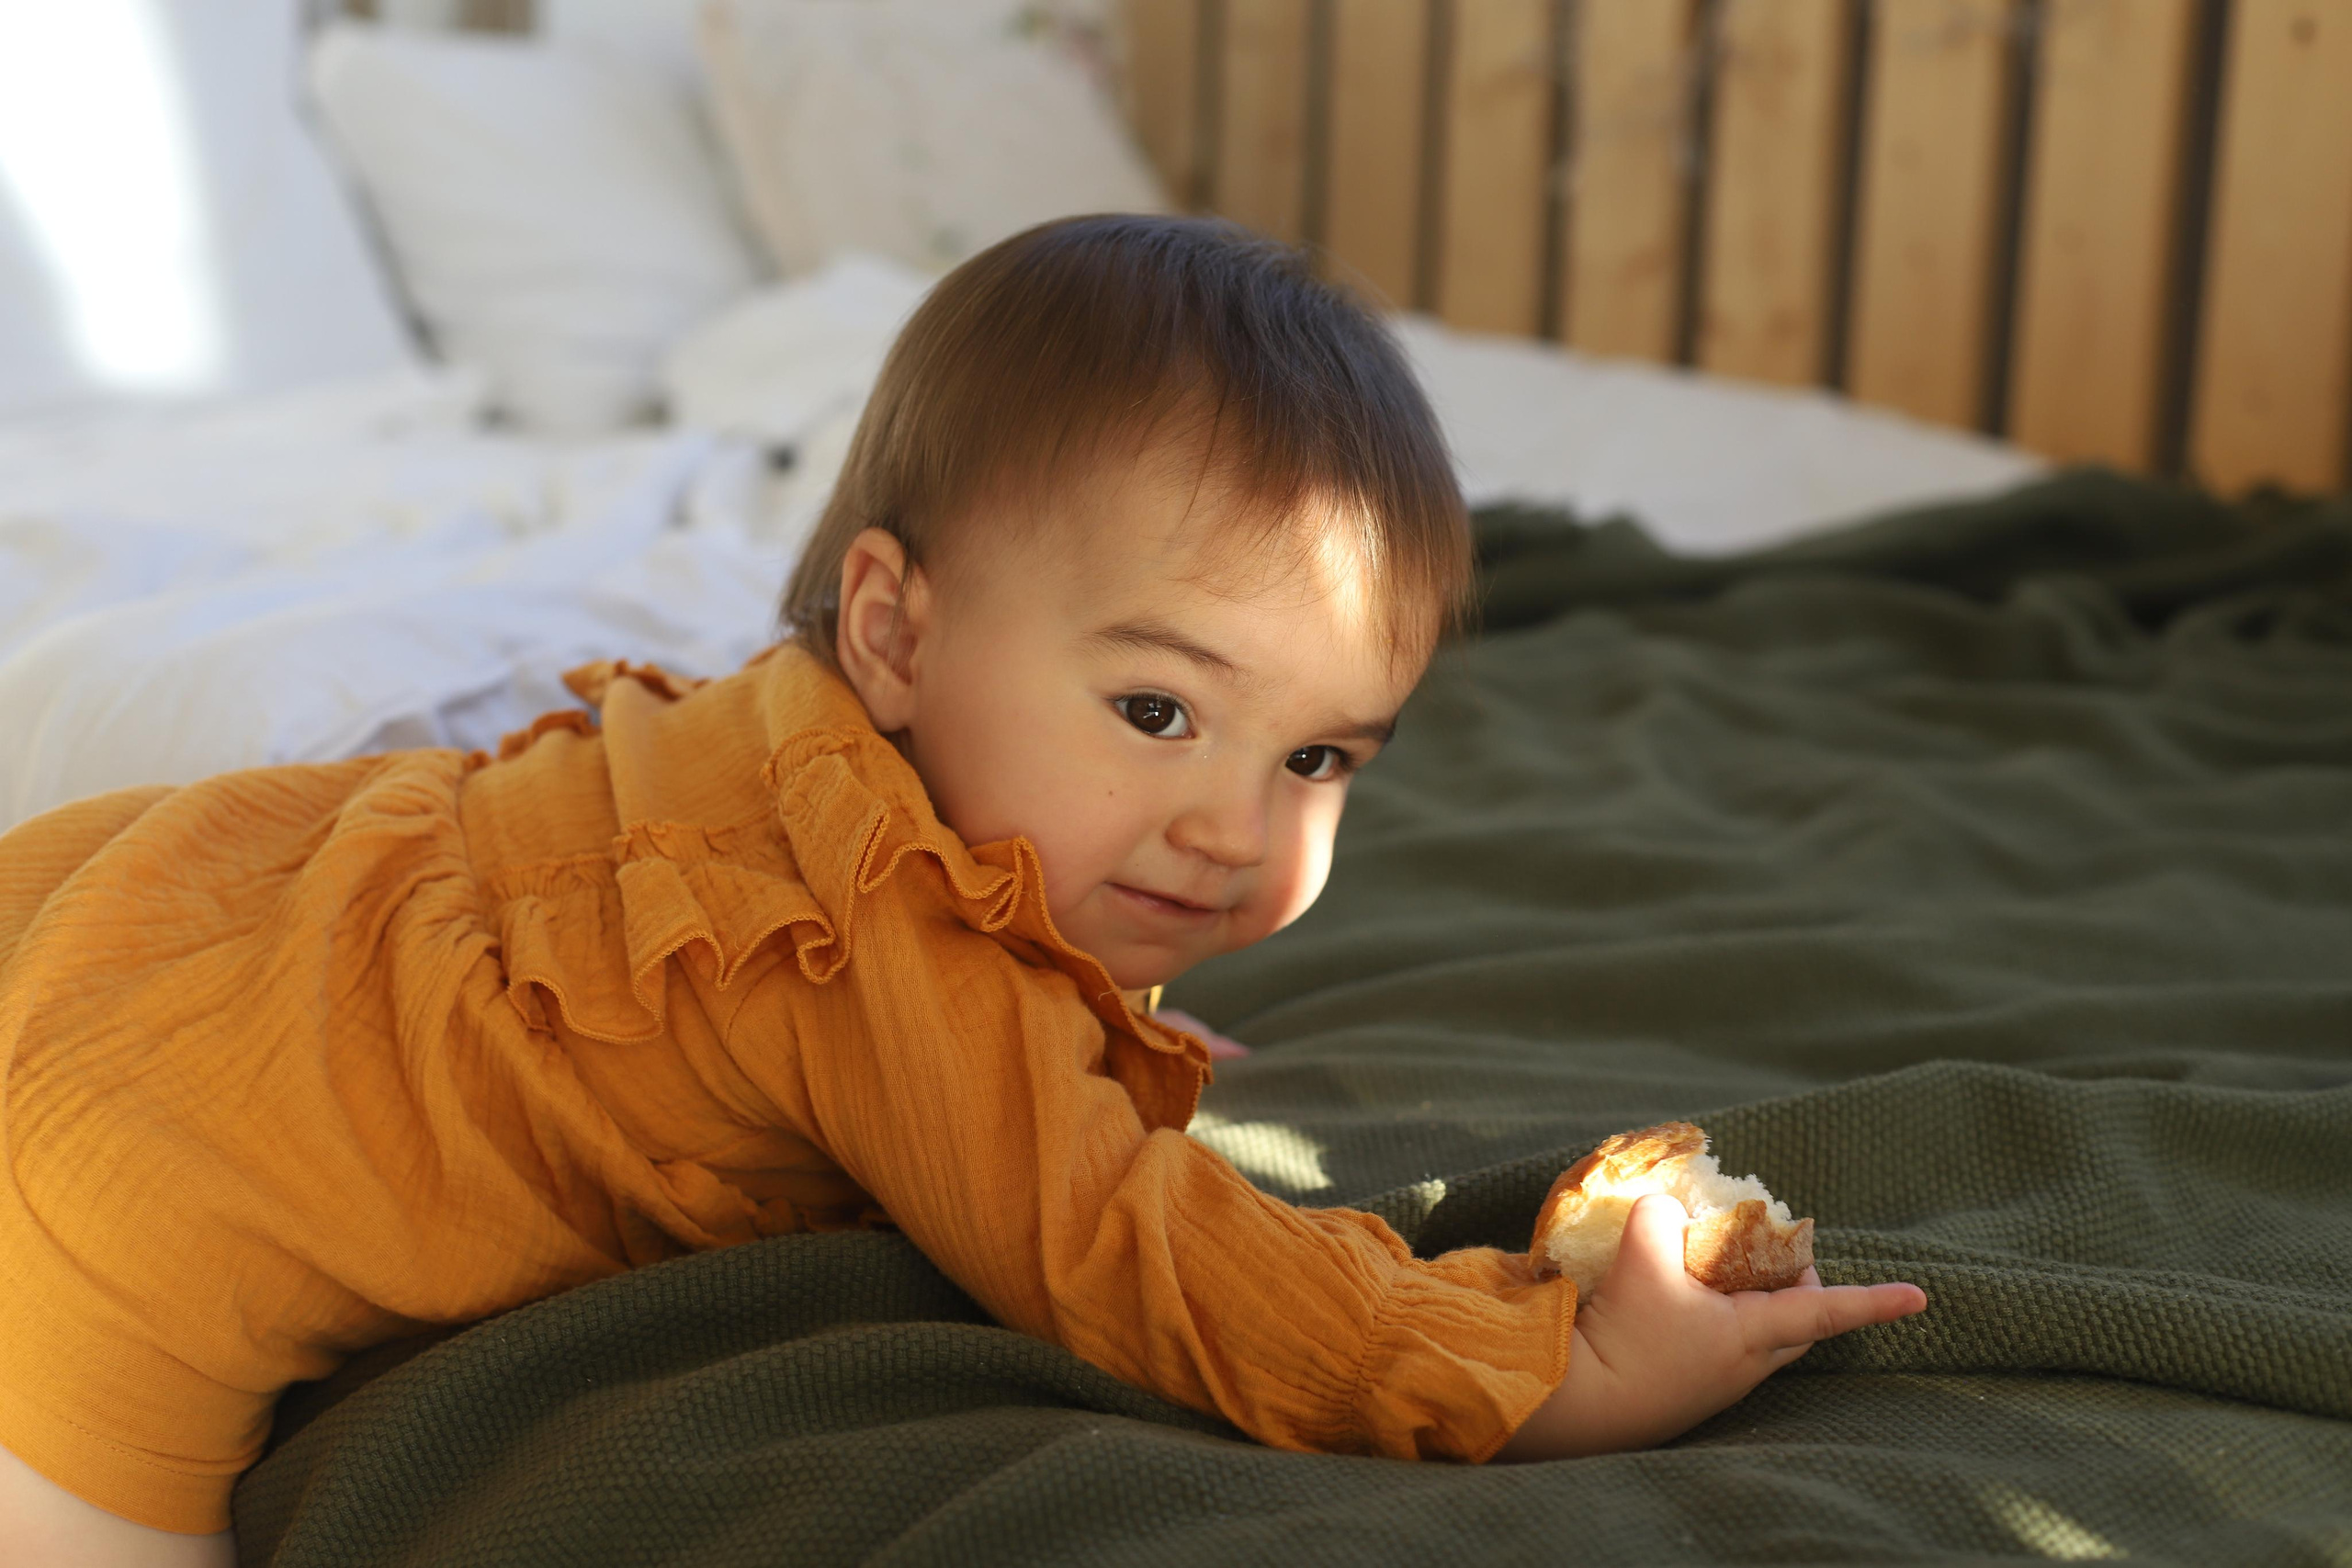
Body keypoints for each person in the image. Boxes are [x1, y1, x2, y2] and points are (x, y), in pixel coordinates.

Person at [0, 216, 1924, 1564]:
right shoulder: (886, 942)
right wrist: (1553, 1372)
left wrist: (1073, 1011)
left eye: (1317, 757)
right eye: (1157, 710)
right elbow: (1142, 1251)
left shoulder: (780, 749)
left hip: (136, 906)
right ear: (896, 629)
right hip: (123, 1220)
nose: (1232, 829)